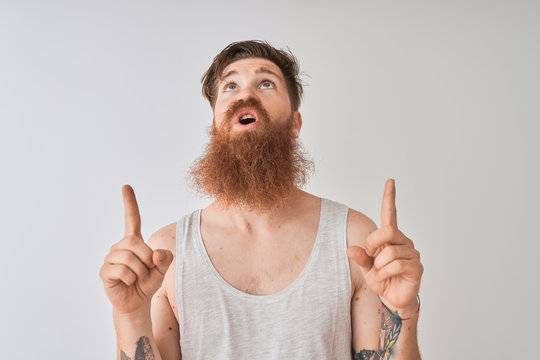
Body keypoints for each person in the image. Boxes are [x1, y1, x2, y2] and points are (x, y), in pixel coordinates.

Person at [99, 40, 423, 360]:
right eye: (230, 86)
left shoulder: (352, 240)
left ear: (295, 124)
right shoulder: (166, 254)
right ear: (215, 126)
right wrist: (129, 316)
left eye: (266, 83)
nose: (245, 95)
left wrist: (402, 313)